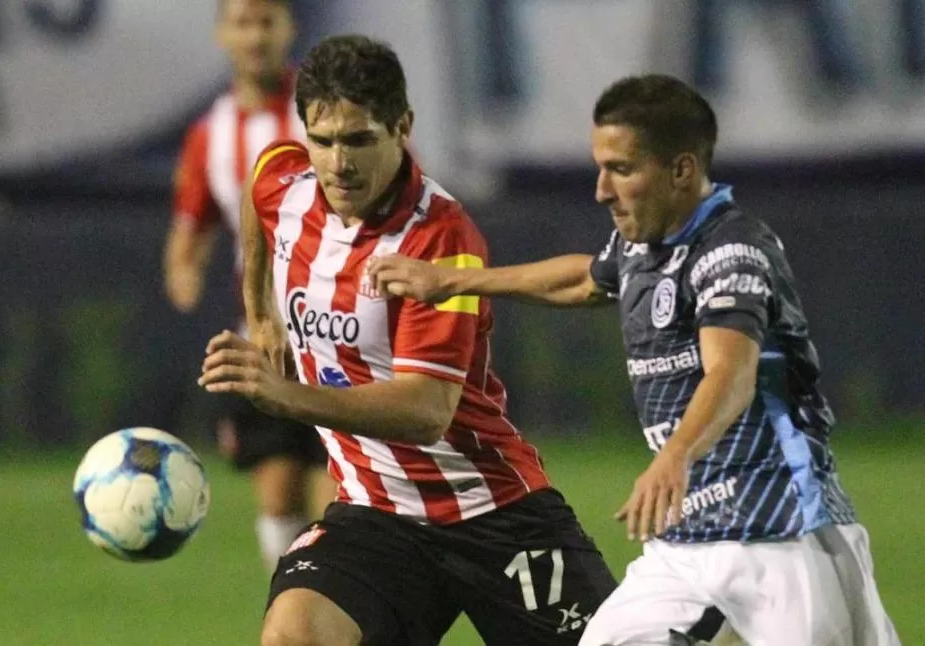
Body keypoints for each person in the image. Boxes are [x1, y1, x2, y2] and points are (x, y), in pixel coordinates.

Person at [367, 74, 901, 646]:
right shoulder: (641, 243)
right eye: (600, 167)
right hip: (686, 540)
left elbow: (732, 371)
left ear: (682, 170)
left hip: (781, 531)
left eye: (621, 169)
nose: (601, 189)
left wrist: (674, 456)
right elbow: (584, 278)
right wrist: (453, 279)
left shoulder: (731, 250)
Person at [198, 34, 620, 646]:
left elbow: (426, 412)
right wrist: (262, 315)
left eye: (360, 140)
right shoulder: (283, 179)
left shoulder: (439, 238)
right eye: (324, 140)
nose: (339, 163)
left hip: (490, 509)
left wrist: (285, 395)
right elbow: (255, 201)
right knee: (295, 636)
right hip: (375, 516)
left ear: (402, 127)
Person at [164, 0, 333, 572]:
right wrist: (184, 272)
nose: (255, 35)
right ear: (223, 34)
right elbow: (190, 231)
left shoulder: (329, 116)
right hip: (263, 340)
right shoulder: (210, 136)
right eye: (243, 22)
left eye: (267, 21)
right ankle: (296, 613)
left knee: (339, 503)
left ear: (289, 28)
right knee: (278, 491)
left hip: (341, 337)